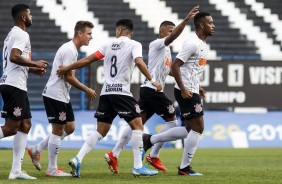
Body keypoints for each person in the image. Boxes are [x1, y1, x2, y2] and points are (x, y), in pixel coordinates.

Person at [56, 19, 162, 177]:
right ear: (129, 32)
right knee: (138, 125)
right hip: (121, 93)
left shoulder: (107, 45)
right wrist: (153, 80)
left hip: (106, 93)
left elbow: (87, 60)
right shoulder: (135, 44)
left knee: (101, 131)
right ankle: (138, 167)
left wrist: (67, 68)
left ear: (119, 31)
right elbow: (139, 61)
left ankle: (78, 158)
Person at [104, 6, 199, 174]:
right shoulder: (157, 44)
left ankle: (115, 153)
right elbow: (172, 37)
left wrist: (187, 81)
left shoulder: (167, 51)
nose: (173, 33)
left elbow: (168, 70)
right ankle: (153, 154)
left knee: (137, 123)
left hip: (147, 90)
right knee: (172, 121)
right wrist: (185, 20)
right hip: (152, 90)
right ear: (162, 32)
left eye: (173, 30)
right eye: (170, 31)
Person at [143, 12, 215, 176]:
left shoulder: (203, 46)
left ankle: (150, 139)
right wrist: (183, 88)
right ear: (201, 25)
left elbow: (191, 70)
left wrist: (198, 87)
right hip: (185, 90)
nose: (213, 25)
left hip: (192, 88)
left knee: (190, 129)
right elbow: (175, 66)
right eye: (210, 23)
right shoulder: (192, 44)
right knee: (199, 128)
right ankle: (184, 168)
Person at [26, 21, 97, 177]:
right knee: (58, 130)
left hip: (62, 95)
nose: (91, 37)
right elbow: (67, 77)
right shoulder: (69, 50)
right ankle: (52, 169)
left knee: (70, 127)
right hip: (55, 94)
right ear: (80, 33)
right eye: (89, 33)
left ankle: (36, 149)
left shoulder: (73, 50)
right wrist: (86, 89)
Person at [0, 4, 48, 180]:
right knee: (11, 128)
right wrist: (35, 63)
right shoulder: (21, 34)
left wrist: (33, 69)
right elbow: (14, 56)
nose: (32, 17)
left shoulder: (12, 34)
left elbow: (15, 61)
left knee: (25, 124)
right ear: (22, 17)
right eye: (30, 14)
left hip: (15, 84)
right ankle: (15, 171)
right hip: (14, 85)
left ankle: (16, 171)